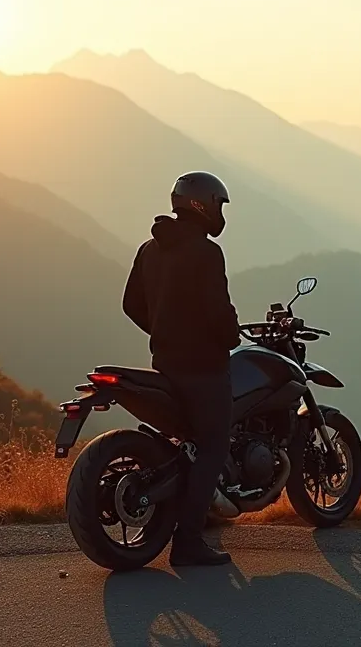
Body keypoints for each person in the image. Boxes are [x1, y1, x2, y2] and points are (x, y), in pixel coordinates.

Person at [122, 170, 241, 567]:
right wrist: (230, 336)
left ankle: (188, 512)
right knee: (213, 447)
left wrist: (163, 330)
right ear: (204, 205)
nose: (220, 212)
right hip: (205, 369)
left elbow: (131, 306)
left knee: (192, 445)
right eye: (219, 204)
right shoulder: (207, 253)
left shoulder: (148, 250)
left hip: (166, 364)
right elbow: (218, 311)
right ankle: (188, 541)